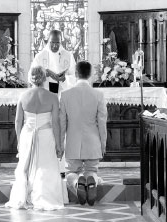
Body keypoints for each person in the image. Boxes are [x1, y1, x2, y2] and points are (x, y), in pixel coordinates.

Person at [5, 66, 65, 210]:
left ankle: (24, 196)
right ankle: (45, 196)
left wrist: (19, 141)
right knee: (45, 166)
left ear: (30, 78)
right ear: (45, 78)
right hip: (46, 135)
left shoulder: (23, 96)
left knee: (25, 166)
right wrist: (59, 144)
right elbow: (55, 123)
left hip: (27, 134)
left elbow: (18, 121)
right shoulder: (52, 97)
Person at [60, 61, 108, 206]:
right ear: (91, 74)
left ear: (75, 74)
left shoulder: (66, 94)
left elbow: (62, 123)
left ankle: (76, 182)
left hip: (73, 142)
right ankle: (91, 179)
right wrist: (103, 143)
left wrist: (61, 144)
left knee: (70, 172)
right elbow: (102, 123)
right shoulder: (98, 94)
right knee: (92, 169)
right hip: (93, 142)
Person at [29, 30, 76, 94]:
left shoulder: (69, 56)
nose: (55, 45)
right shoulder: (39, 56)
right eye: (52, 42)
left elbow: (75, 77)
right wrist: (43, 74)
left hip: (63, 93)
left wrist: (64, 78)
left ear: (61, 42)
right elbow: (31, 77)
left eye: (57, 43)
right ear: (48, 41)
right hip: (45, 93)